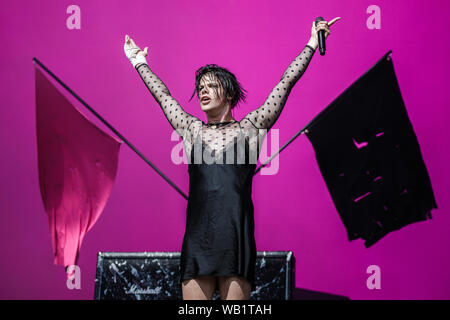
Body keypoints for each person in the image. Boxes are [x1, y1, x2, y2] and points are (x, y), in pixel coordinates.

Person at [124, 17, 341, 300]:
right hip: (198, 239)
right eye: (200, 86)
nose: (202, 90)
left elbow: (286, 82)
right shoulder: (191, 128)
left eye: (211, 86)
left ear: (228, 94)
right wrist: (139, 61)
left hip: (235, 238)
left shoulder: (251, 128)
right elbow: (163, 97)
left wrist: (312, 43)